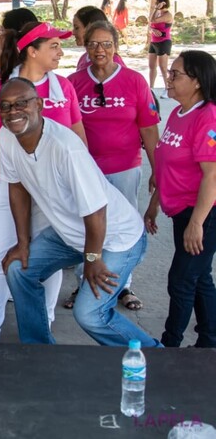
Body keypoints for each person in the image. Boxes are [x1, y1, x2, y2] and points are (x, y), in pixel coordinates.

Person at [0, 78, 161, 348]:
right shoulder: (7, 136)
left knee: (90, 315)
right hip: (71, 235)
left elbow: (97, 212)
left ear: (38, 104)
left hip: (116, 237)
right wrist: (23, 243)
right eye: (5, 106)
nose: (13, 111)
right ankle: (38, 348)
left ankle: (156, 356)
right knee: (18, 268)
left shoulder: (66, 147)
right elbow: (16, 187)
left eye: (21, 103)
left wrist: (92, 260)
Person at [0, 22, 86, 343]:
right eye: (54, 46)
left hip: (55, 191)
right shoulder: (1, 92)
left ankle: (42, 325)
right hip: (6, 187)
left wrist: (81, 185)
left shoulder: (65, 88)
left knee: (45, 260)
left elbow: (78, 138)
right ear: (32, 51)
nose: (60, 52)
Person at [66, 21, 159, 311]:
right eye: (93, 44)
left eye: (106, 43)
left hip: (125, 167)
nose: (99, 50)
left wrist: (158, 169)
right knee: (86, 225)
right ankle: (84, 282)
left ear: (116, 47)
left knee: (123, 227)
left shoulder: (134, 81)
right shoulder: (74, 82)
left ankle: (122, 287)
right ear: (85, 48)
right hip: (85, 170)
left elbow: (149, 130)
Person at [145, 51, 216, 347]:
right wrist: (154, 204)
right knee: (199, 278)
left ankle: (169, 345)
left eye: (176, 74)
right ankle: (210, 340)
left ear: (197, 82)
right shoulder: (178, 113)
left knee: (181, 280)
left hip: (203, 213)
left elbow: (211, 175)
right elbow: (167, 164)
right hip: (182, 212)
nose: (168, 78)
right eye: (170, 73)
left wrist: (197, 223)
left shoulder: (207, 116)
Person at [72, 6, 126, 72]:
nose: (73, 33)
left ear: (90, 28)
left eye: (77, 28)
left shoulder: (113, 61)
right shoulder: (84, 58)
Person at [149, 0, 174, 98]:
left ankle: (167, 88)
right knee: (152, 66)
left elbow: (153, 20)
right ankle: (151, 89)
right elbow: (150, 23)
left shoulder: (168, 15)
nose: (157, 4)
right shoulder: (157, 13)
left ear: (164, 3)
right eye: (156, 3)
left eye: (159, 3)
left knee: (163, 67)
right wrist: (152, 30)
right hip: (154, 42)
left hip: (164, 42)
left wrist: (156, 9)